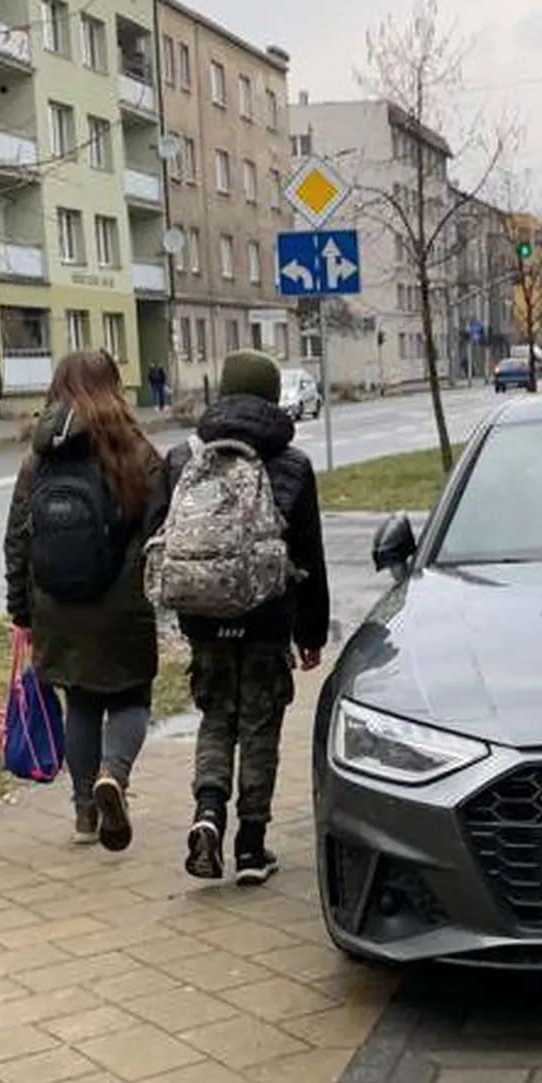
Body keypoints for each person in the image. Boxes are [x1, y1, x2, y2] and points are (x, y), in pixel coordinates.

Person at [168, 350, 329, 885]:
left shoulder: (182, 459)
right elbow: (308, 555)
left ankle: (207, 813)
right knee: (260, 726)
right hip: (266, 618)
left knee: (216, 717)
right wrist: (311, 633)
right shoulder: (292, 465)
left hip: (204, 617)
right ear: (271, 395)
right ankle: (252, 849)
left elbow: (159, 537)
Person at [4, 349, 168, 849]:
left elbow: (18, 538)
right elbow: (161, 530)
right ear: (114, 386)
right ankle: (113, 775)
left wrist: (21, 609)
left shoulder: (39, 457)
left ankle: (83, 813)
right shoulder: (138, 451)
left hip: (57, 602)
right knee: (131, 695)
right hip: (122, 600)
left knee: (80, 701)